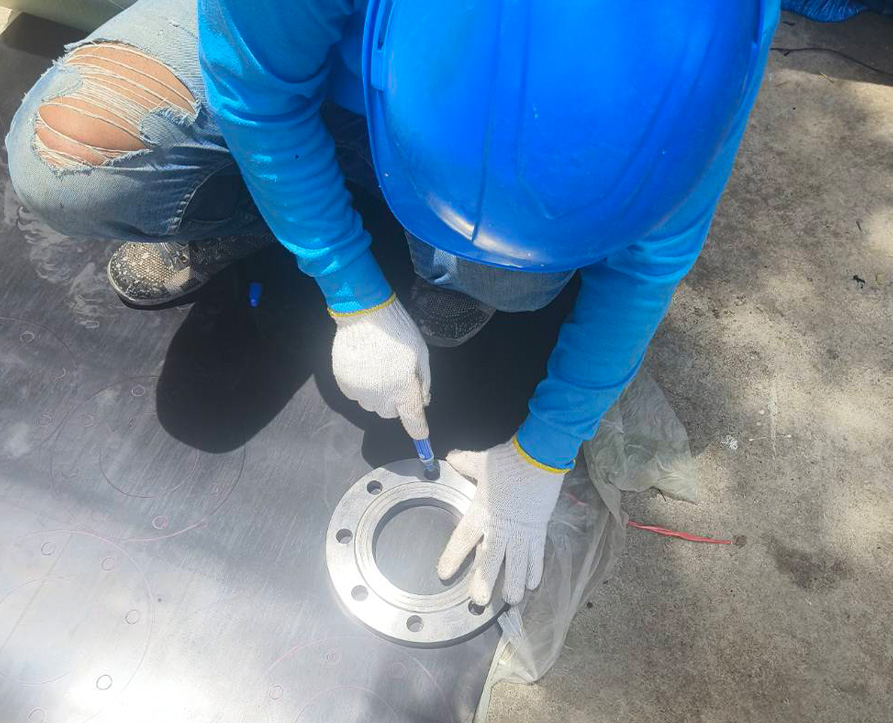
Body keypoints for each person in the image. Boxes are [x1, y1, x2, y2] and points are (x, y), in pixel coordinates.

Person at [5, 0, 780, 607]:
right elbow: (256, 95)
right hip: (303, 47)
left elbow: (648, 261)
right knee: (71, 164)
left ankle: (460, 261)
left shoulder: (712, 37)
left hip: (473, 116)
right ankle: (257, 208)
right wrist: (351, 289)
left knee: (513, 271)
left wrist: (545, 448)